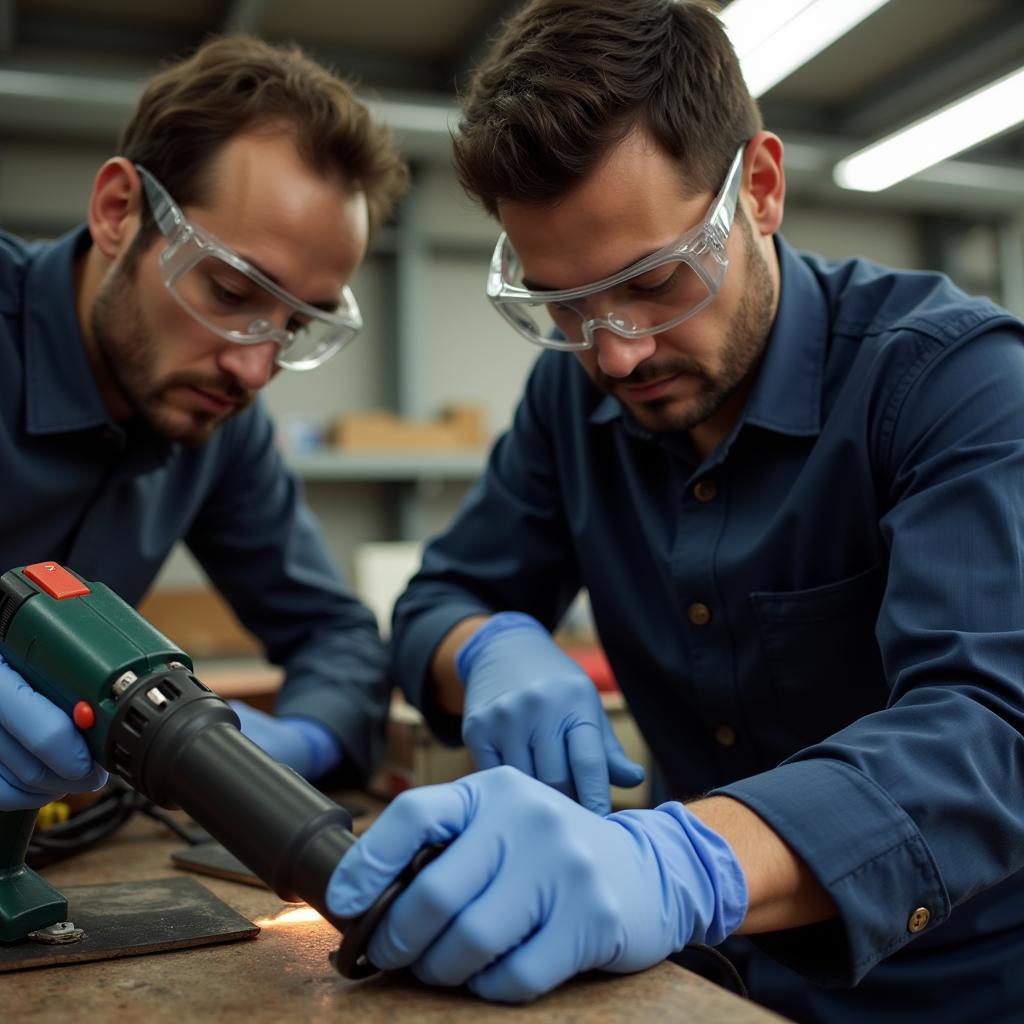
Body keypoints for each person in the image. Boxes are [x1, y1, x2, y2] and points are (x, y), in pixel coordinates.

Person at [326, 1, 1024, 1019]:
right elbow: (444, 592)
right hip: (695, 978)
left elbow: (991, 720)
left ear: (764, 190)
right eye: (563, 302)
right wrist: (484, 645)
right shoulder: (574, 399)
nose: (615, 352)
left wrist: (684, 862)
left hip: (949, 988)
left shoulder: (953, 381)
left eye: (655, 281)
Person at [0, 35, 409, 810]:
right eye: (228, 292)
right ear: (120, 211)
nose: (255, 371)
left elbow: (338, 639)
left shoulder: (217, 425)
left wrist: (296, 742)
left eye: (294, 329)